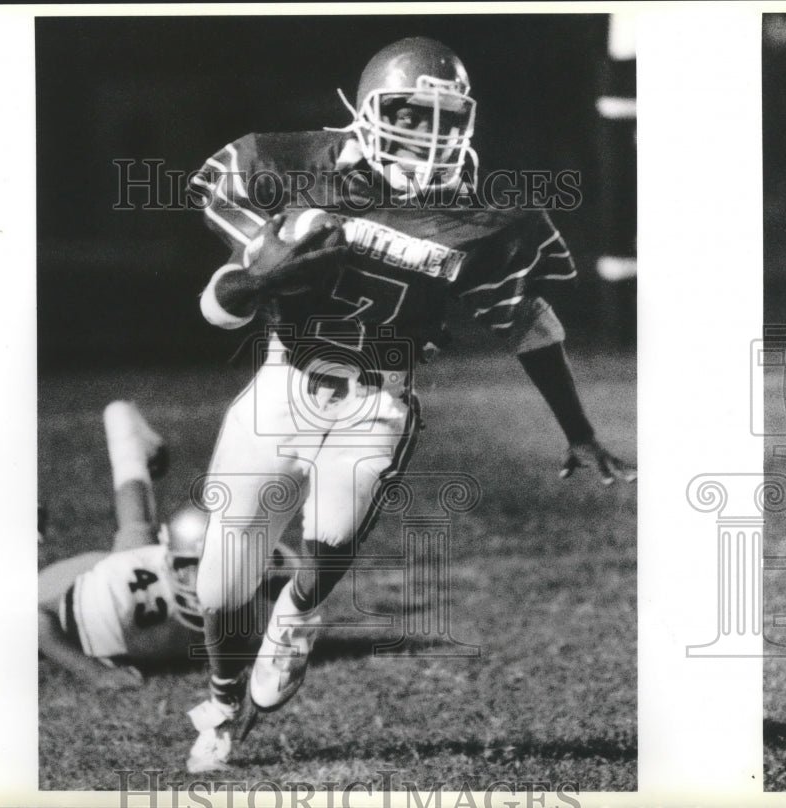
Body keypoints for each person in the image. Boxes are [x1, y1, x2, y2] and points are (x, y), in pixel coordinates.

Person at [185, 36, 636, 772]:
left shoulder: (487, 217)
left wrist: (578, 430)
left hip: (378, 399)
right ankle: (224, 703)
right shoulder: (296, 162)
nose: (427, 134)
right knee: (221, 583)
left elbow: (528, 320)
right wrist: (260, 264)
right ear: (365, 111)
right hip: (282, 380)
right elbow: (220, 263)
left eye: (442, 117)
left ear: (466, 122)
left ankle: (299, 616)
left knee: (332, 531)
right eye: (407, 113)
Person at [38, 401, 298, 689]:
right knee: (135, 535)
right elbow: (32, 617)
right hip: (93, 587)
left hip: (136, 571)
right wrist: (94, 672)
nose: (202, 580)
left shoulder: (265, 584)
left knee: (136, 533)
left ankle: (124, 431)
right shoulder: (112, 603)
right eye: (191, 567)